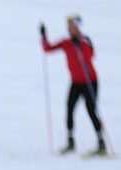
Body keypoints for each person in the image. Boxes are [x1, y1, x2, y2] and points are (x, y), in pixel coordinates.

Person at [41, 15, 106, 155]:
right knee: (69, 108)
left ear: (78, 28)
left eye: (73, 26)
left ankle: (101, 142)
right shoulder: (66, 43)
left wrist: (79, 44)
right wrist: (43, 35)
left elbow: (90, 55)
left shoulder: (85, 41)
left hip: (90, 81)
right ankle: (70, 142)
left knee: (91, 110)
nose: (71, 29)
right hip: (76, 82)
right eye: (69, 27)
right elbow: (47, 49)